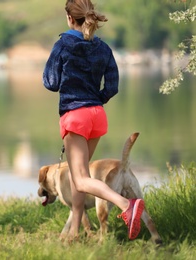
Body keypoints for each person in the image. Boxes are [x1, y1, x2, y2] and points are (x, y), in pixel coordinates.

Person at [43, 0, 144, 242]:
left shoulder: (63, 45)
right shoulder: (103, 48)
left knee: (80, 178)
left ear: (69, 18)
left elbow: (51, 82)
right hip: (97, 115)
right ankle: (76, 233)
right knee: (83, 177)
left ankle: (126, 205)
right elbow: (112, 86)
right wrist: (94, 100)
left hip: (75, 116)